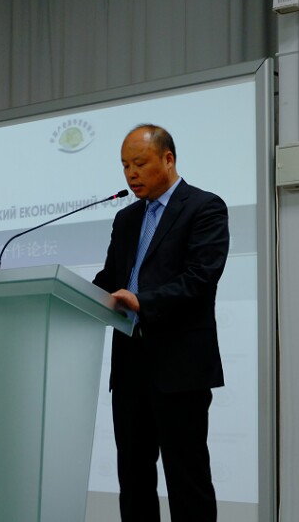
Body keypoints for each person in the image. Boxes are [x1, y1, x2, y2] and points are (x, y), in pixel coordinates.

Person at [93, 124, 229, 522]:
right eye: (124, 166)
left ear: (168, 159)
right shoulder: (125, 218)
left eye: (139, 163)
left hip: (180, 368)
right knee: (134, 480)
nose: (131, 174)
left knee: (187, 481)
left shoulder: (204, 207)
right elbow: (111, 278)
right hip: (129, 367)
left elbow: (200, 279)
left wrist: (143, 301)